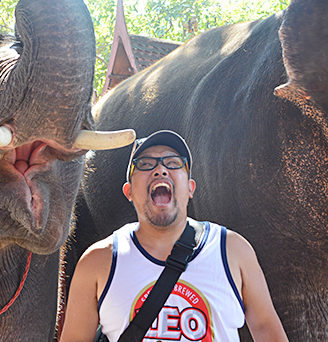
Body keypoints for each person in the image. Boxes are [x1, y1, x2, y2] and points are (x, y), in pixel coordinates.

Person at [60, 130, 288, 342]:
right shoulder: (97, 262)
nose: (160, 170)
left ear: (190, 188)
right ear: (129, 192)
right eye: (146, 164)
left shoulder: (233, 251)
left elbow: (268, 330)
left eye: (173, 163)